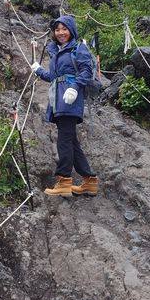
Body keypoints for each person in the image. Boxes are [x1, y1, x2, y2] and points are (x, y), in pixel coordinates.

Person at [31, 15, 99, 197]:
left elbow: (87, 70)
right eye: (57, 29)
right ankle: (89, 181)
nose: (60, 32)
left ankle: (64, 180)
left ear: (71, 30)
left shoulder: (78, 48)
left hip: (70, 98)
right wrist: (39, 71)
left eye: (64, 29)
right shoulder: (57, 51)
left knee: (64, 140)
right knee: (71, 141)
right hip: (58, 99)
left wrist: (75, 87)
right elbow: (55, 77)